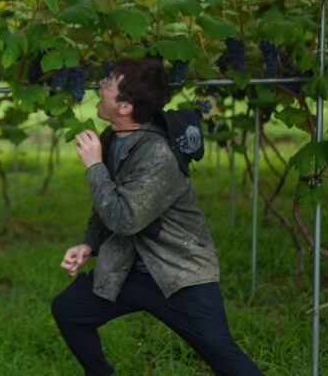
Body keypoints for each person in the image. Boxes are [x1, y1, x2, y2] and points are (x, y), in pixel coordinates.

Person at [51, 58, 261, 375]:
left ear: (124, 106)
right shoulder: (113, 137)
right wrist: (88, 245)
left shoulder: (158, 155)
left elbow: (124, 219)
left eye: (108, 84)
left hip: (179, 275)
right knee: (69, 310)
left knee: (225, 358)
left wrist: (94, 167)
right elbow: (107, 200)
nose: (100, 87)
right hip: (128, 271)